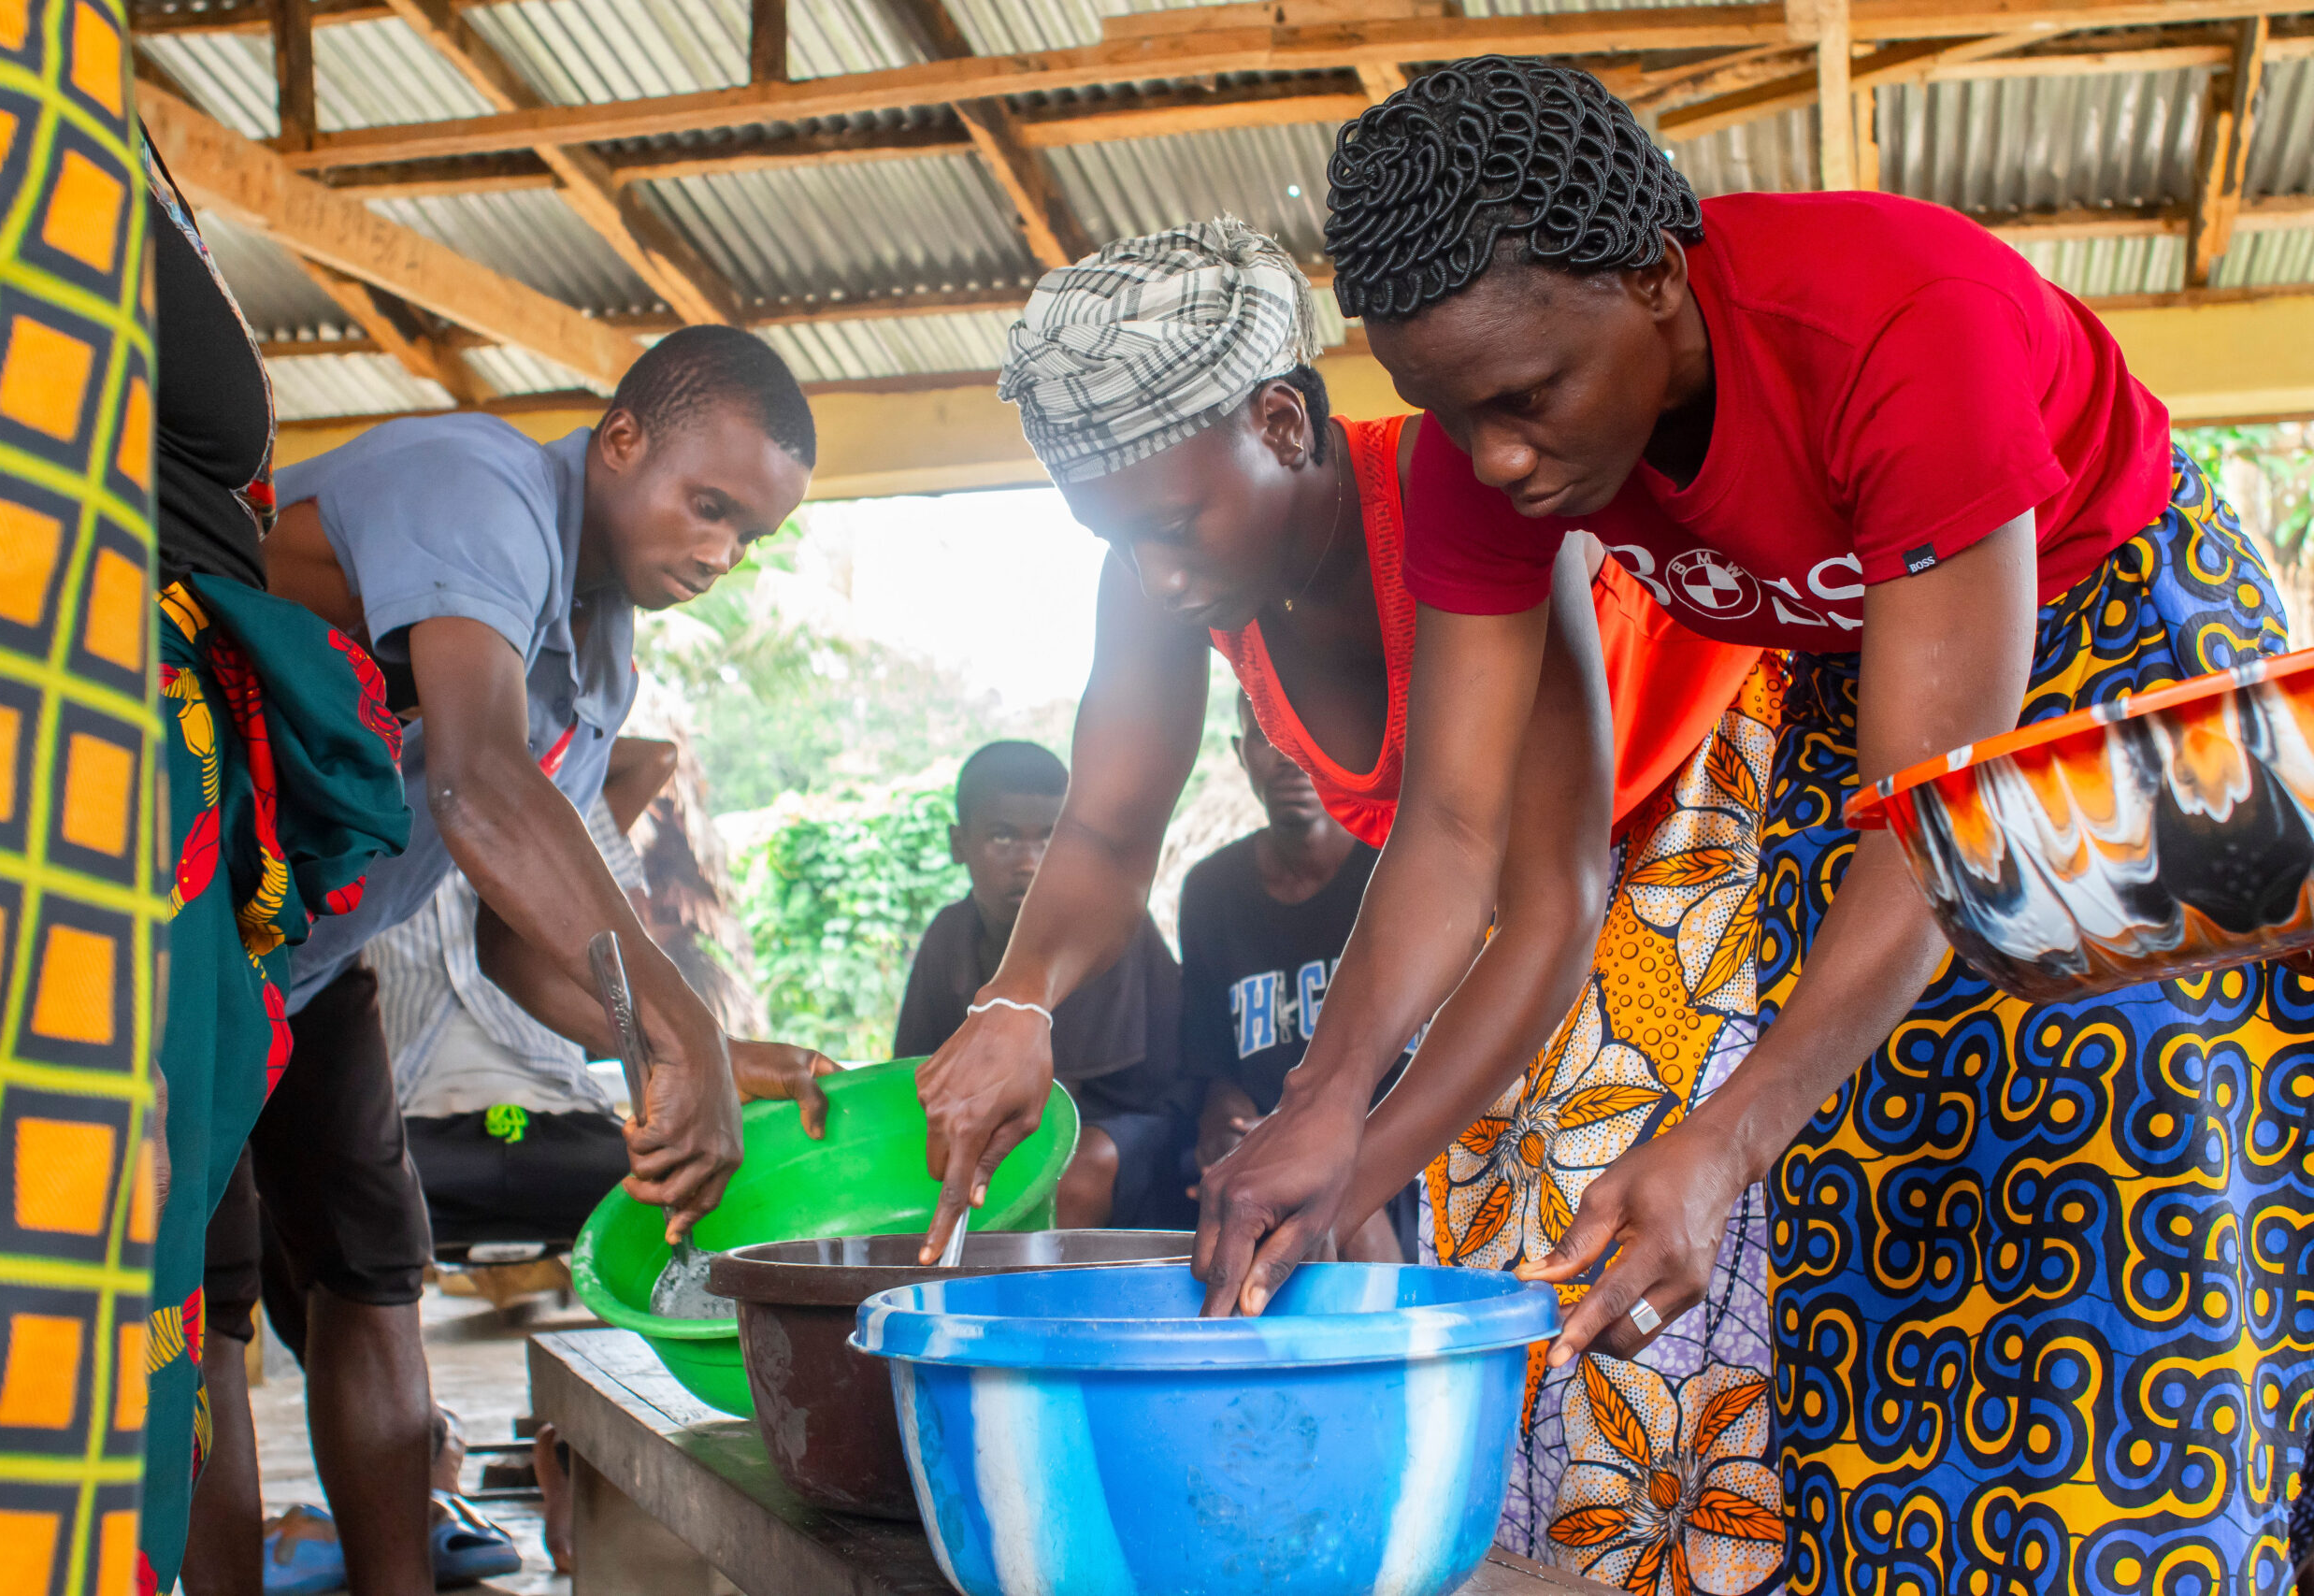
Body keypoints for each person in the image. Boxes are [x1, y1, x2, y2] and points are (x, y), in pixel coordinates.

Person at [1198, 57, 2311, 1594]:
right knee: (1872, 1200)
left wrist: (1717, 1138)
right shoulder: (1484, 442)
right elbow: (1453, 829)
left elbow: (1949, 854)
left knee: (2117, 1193)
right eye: (1454, 416)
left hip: (2117, 667)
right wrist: (1331, 1105)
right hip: (1864, 693)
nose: (1499, 460)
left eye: (1528, 400)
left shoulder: (1900, 324)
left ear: (1655, 277)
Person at [918, 219, 1789, 1578]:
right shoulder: (1165, 563)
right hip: (1486, 892)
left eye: (1165, 525)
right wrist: (1016, 998)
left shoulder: (1455, 506)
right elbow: (1105, 819)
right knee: (1488, 1299)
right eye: (1116, 538)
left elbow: (1550, 893)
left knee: (1624, 1283)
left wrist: (1349, 1150)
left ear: (1282, 419)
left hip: (1692, 813)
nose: (1154, 573)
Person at [186, 326, 838, 1596]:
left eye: (748, 535)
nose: (719, 552)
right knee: (204, 1314)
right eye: (709, 506)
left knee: (374, 1273)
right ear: (624, 439)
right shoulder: (478, 486)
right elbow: (477, 787)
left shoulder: (597, 664)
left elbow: (516, 942)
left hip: (311, 973)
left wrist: (703, 1048)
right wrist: (681, 1029)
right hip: (190, 942)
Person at [133, 126, 411, 1594]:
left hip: (178, 817)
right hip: (83, 802)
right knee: (119, 1272)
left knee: (163, 1274)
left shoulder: (86, 115)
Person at [382, 741, 683, 1254]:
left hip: (566, 1128)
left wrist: (517, 751)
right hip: (413, 1133)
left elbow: (626, 955)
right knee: (318, 1208)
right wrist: (430, 749)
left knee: (696, 1195)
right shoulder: (359, 809)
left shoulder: (567, 801)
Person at [896, 740, 1190, 1228]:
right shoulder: (950, 937)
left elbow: (1177, 1082)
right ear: (958, 843)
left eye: (1049, 841)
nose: (1029, 862)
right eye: (1003, 838)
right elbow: (910, 1076)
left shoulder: (1117, 929)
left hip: (1127, 1129)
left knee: (1068, 1180)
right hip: (998, 1131)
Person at [1178, 695, 1417, 1261]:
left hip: (1394, 1138)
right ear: (1241, 755)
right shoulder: (1212, 891)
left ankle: (1401, 1344)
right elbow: (1210, 1062)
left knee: (1326, 1198)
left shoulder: (1400, 868)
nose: (1289, 755)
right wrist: (1227, 1122)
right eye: (1265, 736)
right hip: (1264, 1144)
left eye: (1307, 732)